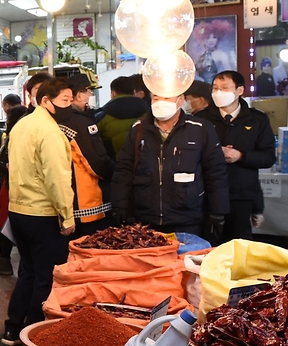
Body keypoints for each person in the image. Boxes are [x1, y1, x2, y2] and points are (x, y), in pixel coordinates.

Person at [2, 78, 76, 346]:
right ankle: (32, 335)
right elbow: (57, 179)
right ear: (46, 100)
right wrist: (67, 217)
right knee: (45, 276)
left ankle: (12, 328)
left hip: (18, 211)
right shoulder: (50, 132)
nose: (71, 106)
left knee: (28, 272)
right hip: (43, 214)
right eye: (66, 100)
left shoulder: (21, 125)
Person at [111, 91, 229, 240]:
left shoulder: (200, 129)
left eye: (166, 98)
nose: (160, 102)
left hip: (187, 218)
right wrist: (119, 205)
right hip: (146, 218)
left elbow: (215, 171)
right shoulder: (138, 129)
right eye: (156, 97)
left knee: (185, 261)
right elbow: (124, 169)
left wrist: (218, 211)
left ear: (180, 100)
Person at [196, 70, 276, 241]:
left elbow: (268, 157)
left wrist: (240, 156)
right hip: (207, 194)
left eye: (225, 88)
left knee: (238, 246)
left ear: (240, 91)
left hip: (241, 195)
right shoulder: (201, 119)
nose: (218, 92)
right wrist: (215, 153)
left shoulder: (257, 120)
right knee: (207, 246)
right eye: (215, 88)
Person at [60, 74, 114, 237]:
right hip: (87, 203)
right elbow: (96, 161)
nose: (91, 96)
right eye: (89, 91)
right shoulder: (82, 124)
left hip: (65, 201)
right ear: (78, 95)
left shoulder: (57, 120)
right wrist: (115, 172)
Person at [0, 104, 27, 276]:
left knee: (7, 225)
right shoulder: (14, 136)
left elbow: (11, 166)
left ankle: (7, 263)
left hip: (12, 188)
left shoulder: (15, 137)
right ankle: (8, 262)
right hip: (12, 187)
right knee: (8, 226)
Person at [95, 75, 149, 159]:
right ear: (134, 91)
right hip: (143, 162)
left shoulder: (102, 116)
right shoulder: (149, 113)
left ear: (113, 93)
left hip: (113, 165)